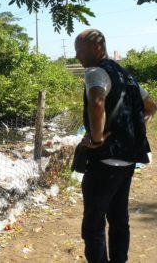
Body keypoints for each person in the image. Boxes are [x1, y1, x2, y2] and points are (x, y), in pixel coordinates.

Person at [74, 28, 157, 263]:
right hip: (128, 159)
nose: (77, 56)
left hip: (105, 160)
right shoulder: (126, 76)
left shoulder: (95, 73)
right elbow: (151, 106)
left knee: (94, 224)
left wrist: (97, 139)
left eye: (79, 50)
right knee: (119, 219)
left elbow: (97, 103)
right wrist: (135, 127)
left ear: (96, 47)